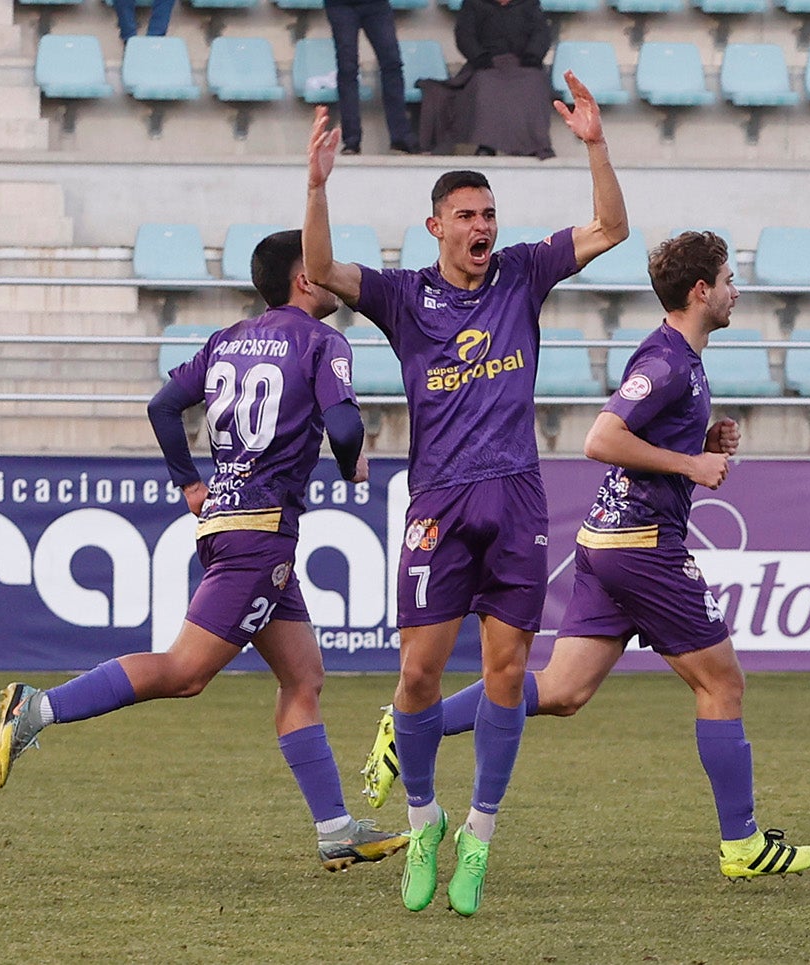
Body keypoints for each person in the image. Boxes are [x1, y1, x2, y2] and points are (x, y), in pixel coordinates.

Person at [360, 232, 810, 882]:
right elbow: (602, 437)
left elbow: (642, 438)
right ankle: (742, 843)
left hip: (609, 545)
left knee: (561, 690)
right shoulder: (666, 362)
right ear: (701, 291)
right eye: (727, 279)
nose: (734, 290)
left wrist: (700, 438)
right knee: (722, 684)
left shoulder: (679, 358)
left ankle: (412, 722)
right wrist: (693, 460)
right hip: (642, 550)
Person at [302, 70, 628, 916]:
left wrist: (594, 143)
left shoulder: (523, 273)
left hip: (517, 497)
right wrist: (316, 188)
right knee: (415, 673)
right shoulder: (405, 298)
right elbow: (320, 269)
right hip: (438, 504)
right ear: (436, 227)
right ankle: (425, 820)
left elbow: (611, 228)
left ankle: (479, 833)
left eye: (489, 215)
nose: (483, 228)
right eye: (468, 217)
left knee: (508, 670)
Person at [0, 230, 409, 874]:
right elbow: (347, 425)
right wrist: (352, 464)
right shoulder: (324, 341)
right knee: (186, 672)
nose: (333, 275)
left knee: (303, 678)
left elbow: (163, 406)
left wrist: (189, 479)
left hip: (228, 522)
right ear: (303, 279)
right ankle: (37, 707)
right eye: (321, 266)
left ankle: (335, 829)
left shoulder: (227, 341)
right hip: (261, 532)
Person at [418, 0, 555, 158]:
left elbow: (541, 34)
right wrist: (480, 58)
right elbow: (465, 36)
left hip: (523, 65)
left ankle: (537, 145)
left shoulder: (529, 4)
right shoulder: (473, 4)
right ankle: (486, 145)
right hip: (486, 65)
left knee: (534, 82)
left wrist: (533, 55)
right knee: (485, 85)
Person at [324, 0, 419, 155]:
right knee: (347, 69)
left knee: (392, 64)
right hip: (340, 4)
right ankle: (351, 140)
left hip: (376, 4)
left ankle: (401, 137)